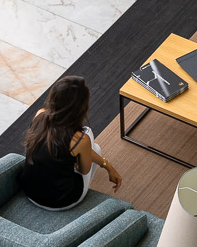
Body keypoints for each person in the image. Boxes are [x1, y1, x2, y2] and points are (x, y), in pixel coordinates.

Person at [19, 75, 121, 210]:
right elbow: (83, 170)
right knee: (93, 143)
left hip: (29, 191)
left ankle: (70, 159)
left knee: (82, 146)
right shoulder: (79, 139)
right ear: (80, 108)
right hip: (61, 202)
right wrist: (107, 165)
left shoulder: (40, 115)